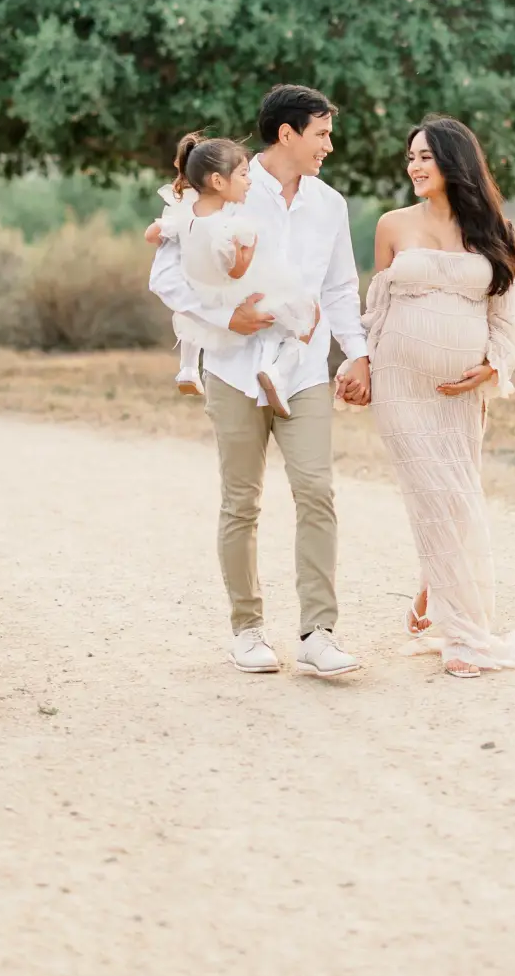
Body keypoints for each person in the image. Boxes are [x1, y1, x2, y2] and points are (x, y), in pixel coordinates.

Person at [148, 85, 371, 678]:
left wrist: (359, 354)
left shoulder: (331, 204)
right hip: (232, 369)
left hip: (303, 370)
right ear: (288, 134)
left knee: (316, 491)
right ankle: (246, 630)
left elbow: (341, 288)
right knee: (241, 502)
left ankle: (318, 632)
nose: (330, 144)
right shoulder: (228, 189)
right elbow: (165, 273)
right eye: (322, 132)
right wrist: (228, 318)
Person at [365, 117, 515, 678]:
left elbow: (507, 316)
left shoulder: (493, 230)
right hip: (401, 385)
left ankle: (434, 591)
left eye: (425, 157)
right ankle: (464, 637)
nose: (414, 166)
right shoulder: (392, 225)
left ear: (454, 162)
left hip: (461, 394)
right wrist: (361, 362)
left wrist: (490, 368)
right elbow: (377, 308)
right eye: (410, 156)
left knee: (457, 497)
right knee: (433, 494)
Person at [146, 132, 319, 417]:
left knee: (190, 323)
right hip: (233, 295)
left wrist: (166, 231)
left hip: (202, 289)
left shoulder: (184, 214)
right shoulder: (227, 226)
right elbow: (236, 271)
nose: (249, 181)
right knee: (308, 311)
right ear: (218, 181)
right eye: (243, 174)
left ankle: (188, 368)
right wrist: (248, 252)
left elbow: (152, 234)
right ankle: (278, 370)